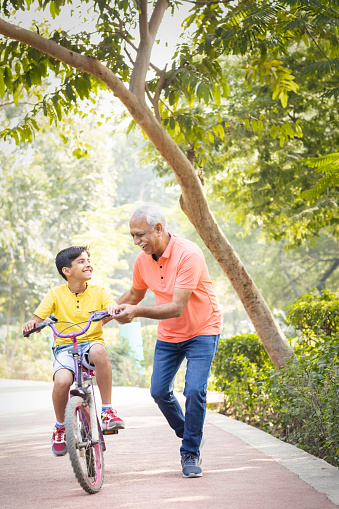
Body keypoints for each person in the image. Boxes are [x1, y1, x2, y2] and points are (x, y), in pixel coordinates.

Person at [112, 204, 222, 478]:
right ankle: (190, 435)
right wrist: (102, 316)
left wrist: (136, 313)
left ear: (159, 228)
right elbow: (135, 295)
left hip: (202, 329)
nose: (136, 242)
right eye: (132, 236)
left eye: (140, 235)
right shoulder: (142, 261)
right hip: (170, 334)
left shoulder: (189, 255)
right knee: (159, 391)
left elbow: (176, 307)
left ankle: (190, 452)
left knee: (194, 390)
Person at [23, 246, 125, 457]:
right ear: (66, 270)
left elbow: (110, 304)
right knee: (61, 382)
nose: (88, 264)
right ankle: (61, 426)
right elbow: (37, 318)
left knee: (99, 351)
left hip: (90, 343)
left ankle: (107, 411)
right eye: (81, 261)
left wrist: (113, 309)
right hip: (64, 347)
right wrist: (32, 324)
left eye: (88, 260)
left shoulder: (99, 291)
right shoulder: (55, 294)